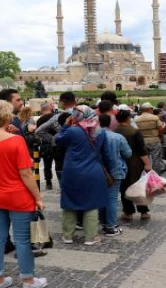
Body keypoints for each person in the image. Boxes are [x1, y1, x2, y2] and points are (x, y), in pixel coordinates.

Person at [0, 100, 47, 288]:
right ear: (6, 116)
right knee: (23, 240)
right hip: (18, 196)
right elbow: (25, 173)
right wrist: (38, 197)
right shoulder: (16, 140)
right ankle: (28, 280)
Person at [55, 105, 111, 246]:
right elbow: (105, 153)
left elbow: (58, 140)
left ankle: (67, 236)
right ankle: (90, 237)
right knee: (92, 205)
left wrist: (66, 126)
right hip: (93, 171)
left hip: (72, 171)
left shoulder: (73, 131)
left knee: (69, 203)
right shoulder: (100, 132)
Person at [115, 108, 153, 221]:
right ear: (128, 118)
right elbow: (141, 149)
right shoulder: (135, 131)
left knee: (124, 187)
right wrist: (147, 164)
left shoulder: (114, 131)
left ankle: (128, 212)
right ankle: (143, 211)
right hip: (135, 162)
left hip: (120, 162)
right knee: (138, 186)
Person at [98, 114, 131, 237]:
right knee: (112, 199)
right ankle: (111, 227)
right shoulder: (117, 137)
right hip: (116, 171)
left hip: (97, 171)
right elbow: (128, 153)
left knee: (101, 198)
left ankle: (104, 224)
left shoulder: (93, 136)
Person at [135, 102, 165, 174]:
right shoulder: (154, 117)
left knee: (145, 160)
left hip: (143, 141)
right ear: (149, 109)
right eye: (152, 109)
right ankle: (156, 175)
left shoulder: (137, 119)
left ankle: (145, 175)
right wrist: (160, 135)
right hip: (155, 140)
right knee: (156, 159)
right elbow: (160, 129)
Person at [36, 102, 55, 190]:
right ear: (50, 108)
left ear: (41, 110)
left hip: (46, 144)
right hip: (57, 143)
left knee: (47, 165)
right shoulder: (55, 117)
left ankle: (48, 182)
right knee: (59, 163)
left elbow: (38, 134)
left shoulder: (40, 120)